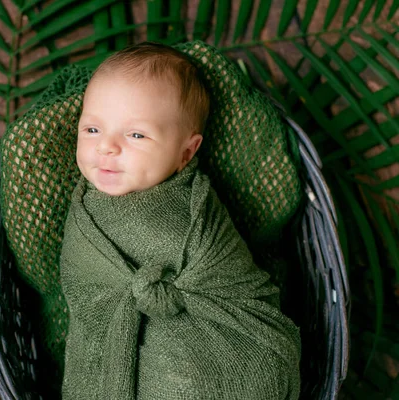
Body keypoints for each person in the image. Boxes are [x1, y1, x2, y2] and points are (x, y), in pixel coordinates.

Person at [59, 42, 301, 399]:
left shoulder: (194, 210)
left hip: (204, 343)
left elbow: (234, 283)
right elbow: (86, 295)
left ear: (185, 153)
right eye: (92, 130)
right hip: (117, 344)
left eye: (136, 135)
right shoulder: (85, 210)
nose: (106, 147)